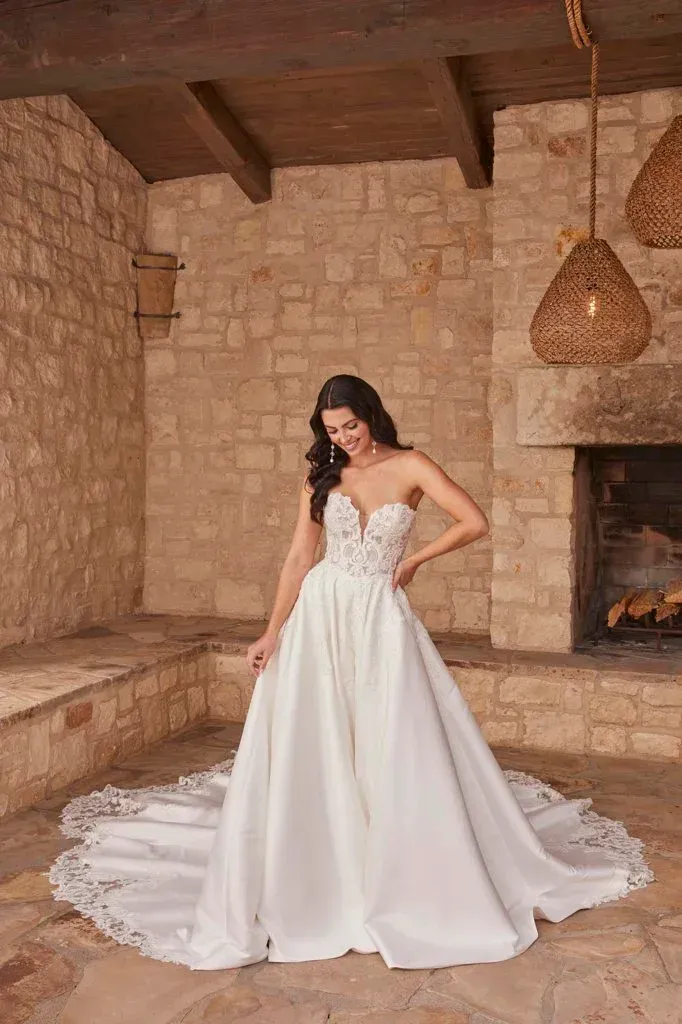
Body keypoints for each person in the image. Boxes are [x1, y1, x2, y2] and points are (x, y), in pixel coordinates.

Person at [51, 374, 652, 971]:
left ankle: (395, 871)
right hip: (321, 614)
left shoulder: (411, 465)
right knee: (322, 737)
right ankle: (327, 864)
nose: (343, 438)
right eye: (332, 430)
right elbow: (299, 556)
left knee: (393, 739)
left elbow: (473, 521)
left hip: (379, 617)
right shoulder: (323, 475)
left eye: (351, 426)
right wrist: (271, 631)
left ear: (371, 415)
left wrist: (415, 560)